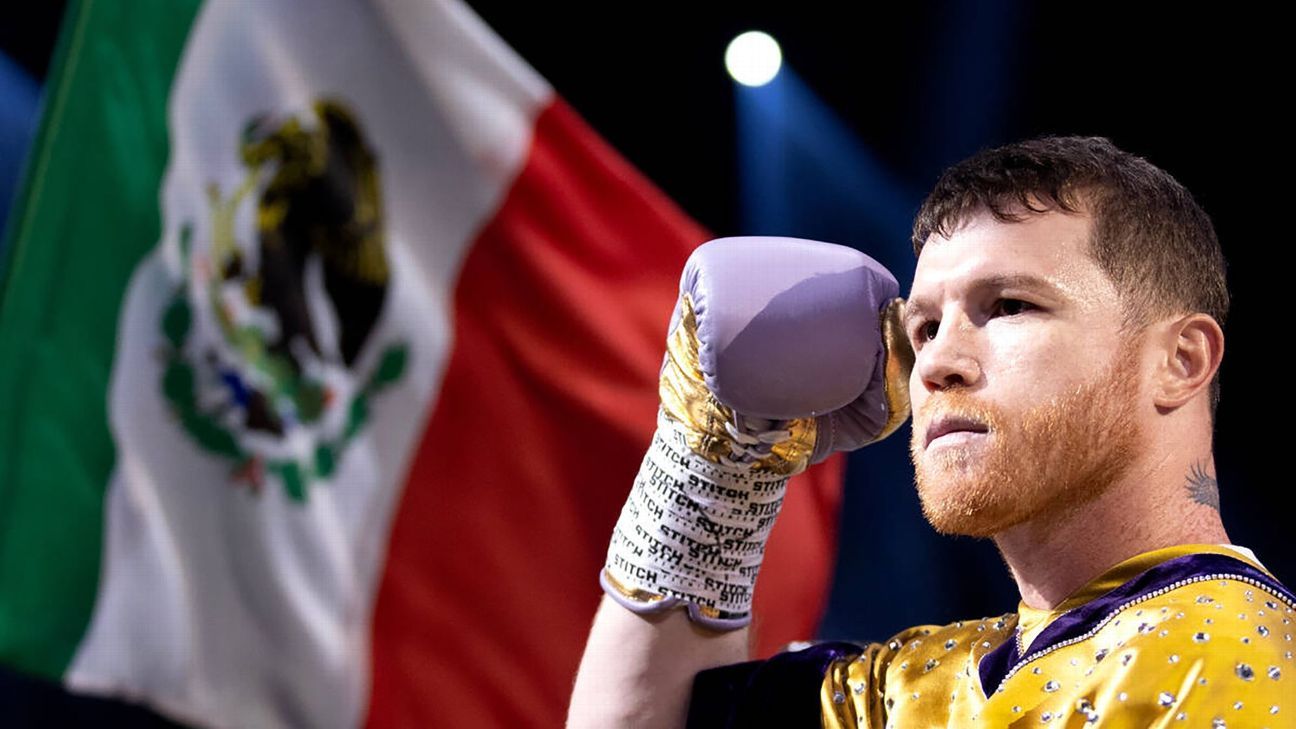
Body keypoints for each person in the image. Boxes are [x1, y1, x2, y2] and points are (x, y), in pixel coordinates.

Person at [567, 136, 1294, 728]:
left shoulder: (1242, 663)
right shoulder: (906, 685)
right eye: (923, 327)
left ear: (1180, 360)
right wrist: (715, 468)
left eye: (1008, 305)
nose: (937, 361)